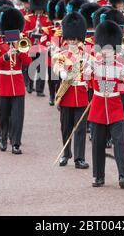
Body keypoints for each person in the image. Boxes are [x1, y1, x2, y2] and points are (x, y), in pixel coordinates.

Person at [86, 20, 124, 189]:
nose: (106, 52)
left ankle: (122, 176)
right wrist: (86, 72)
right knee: (97, 145)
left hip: (115, 110)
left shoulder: (121, 68)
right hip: (97, 110)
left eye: (109, 49)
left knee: (119, 144)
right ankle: (98, 176)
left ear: (115, 49)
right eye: (103, 49)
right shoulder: (93, 65)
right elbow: (82, 80)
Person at [0, 6, 32, 154]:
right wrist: (7, 55)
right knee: (3, 115)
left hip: (18, 83)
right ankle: (3, 138)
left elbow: (27, 62)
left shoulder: (22, 44)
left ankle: (16, 143)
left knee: (17, 116)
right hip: (3, 83)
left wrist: (19, 50)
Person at [52, 12, 90, 169]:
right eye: (70, 39)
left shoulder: (86, 55)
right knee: (66, 127)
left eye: (75, 39)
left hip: (81, 94)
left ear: (79, 38)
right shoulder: (61, 54)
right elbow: (56, 66)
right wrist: (60, 71)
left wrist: (89, 71)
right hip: (66, 95)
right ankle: (66, 153)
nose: (72, 42)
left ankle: (79, 158)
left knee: (80, 128)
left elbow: (93, 67)